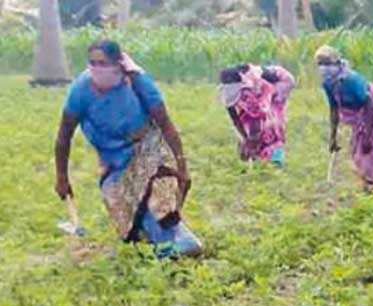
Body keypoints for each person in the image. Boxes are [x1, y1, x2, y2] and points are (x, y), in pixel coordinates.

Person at [55, 40, 201, 258]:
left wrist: (182, 166)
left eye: (103, 63)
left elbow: (166, 125)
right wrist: (61, 177)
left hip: (147, 145)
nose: (97, 69)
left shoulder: (138, 82)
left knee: (159, 192)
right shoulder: (81, 91)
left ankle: (176, 238)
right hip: (113, 157)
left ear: (117, 64)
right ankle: (157, 241)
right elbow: (64, 136)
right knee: (121, 203)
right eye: (93, 63)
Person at [314, 45, 373, 192]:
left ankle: (371, 185)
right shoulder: (328, 83)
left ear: (337, 64)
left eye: (327, 63)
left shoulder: (350, 80)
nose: (324, 68)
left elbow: (367, 101)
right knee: (357, 147)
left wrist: (369, 133)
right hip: (359, 111)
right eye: (320, 64)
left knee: (370, 145)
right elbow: (334, 108)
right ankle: (366, 179)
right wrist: (333, 137)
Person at [219, 63, 295, 167]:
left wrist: (251, 142)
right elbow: (235, 118)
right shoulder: (229, 93)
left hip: (281, 81)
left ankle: (276, 161)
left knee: (273, 125)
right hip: (259, 90)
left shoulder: (253, 84)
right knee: (249, 123)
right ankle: (259, 160)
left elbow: (258, 116)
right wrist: (244, 138)